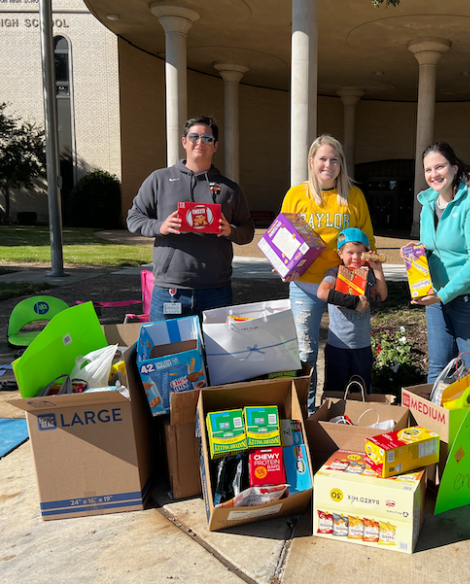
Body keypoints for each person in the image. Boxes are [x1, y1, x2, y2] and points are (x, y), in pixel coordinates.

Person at [280, 134, 376, 412]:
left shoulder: (353, 196)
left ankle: (343, 408)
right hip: (305, 284)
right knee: (305, 353)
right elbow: (282, 238)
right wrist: (282, 266)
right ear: (312, 161)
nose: (328, 165)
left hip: (344, 283)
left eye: (335, 159)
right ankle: (307, 413)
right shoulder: (296, 195)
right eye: (322, 158)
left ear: (341, 163)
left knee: (348, 347)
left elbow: (368, 242)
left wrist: (371, 280)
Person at [127, 115, 255, 321]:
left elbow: (247, 231)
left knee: (213, 354)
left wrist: (230, 230)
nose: (200, 142)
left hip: (216, 291)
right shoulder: (159, 179)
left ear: (216, 146)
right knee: (167, 352)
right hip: (170, 290)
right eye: (194, 137)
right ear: (184, 142)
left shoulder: (229, 189)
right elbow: (134, 218)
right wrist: (161, 226)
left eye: (207, 139)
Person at [412, 141, 470, 382]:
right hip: (438, 299)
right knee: (438, 371)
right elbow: (431, 249)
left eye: (439, 167)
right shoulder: (427, 204)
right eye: (428, 170)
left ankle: (469, 421)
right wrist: (415, 256)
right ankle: (433, 421)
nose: (433, 174)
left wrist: (443, 294)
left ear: (454, 167)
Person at [316, 228, 387, 394]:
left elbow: (381, 295)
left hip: (361, 346)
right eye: (350, 253)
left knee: (361, 390)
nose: (355, 257)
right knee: (334, 391)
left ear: (367, 254)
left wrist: (377, 270)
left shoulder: (368, 274)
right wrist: (354, 302)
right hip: (337, 345)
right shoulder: (335, 272)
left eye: (360, 253)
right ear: (340, 253)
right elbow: (322, 292)